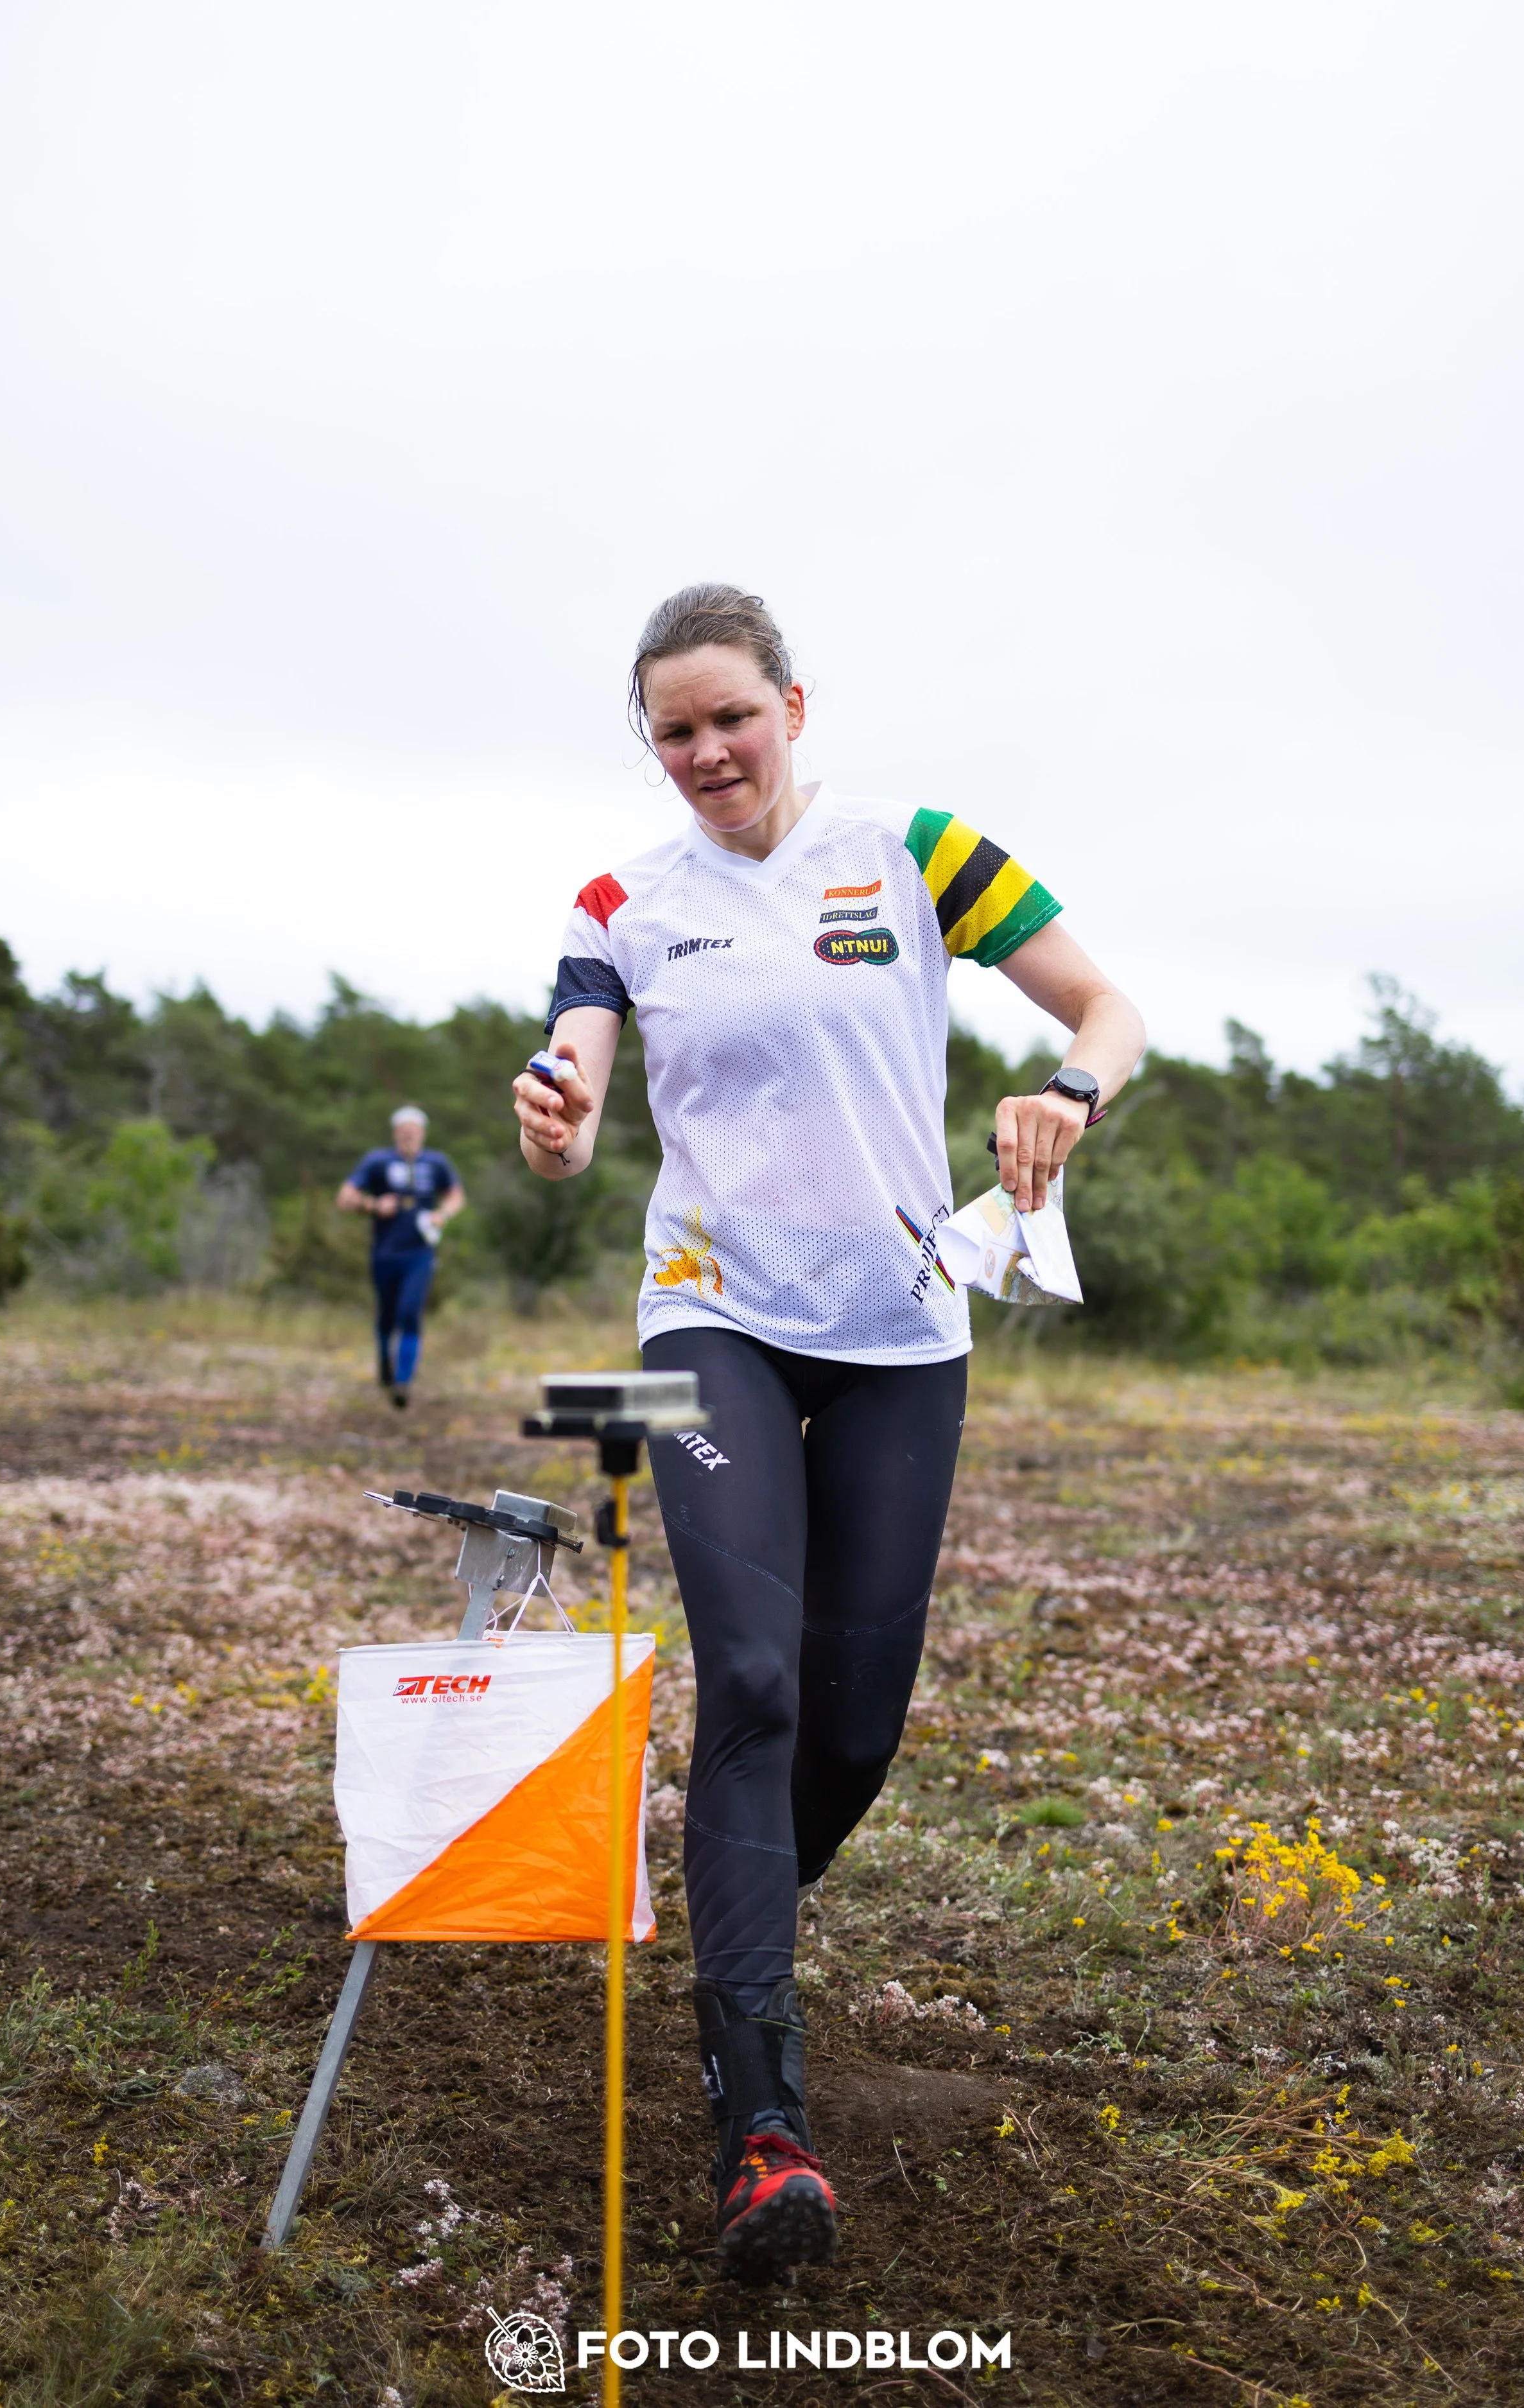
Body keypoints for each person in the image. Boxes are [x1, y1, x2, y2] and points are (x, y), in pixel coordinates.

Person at [512, 585, 1145, 2281]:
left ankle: (734, 1935)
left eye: (731, 715)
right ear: (648, 745)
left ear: (794, 703)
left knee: (851, 1728)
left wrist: (1063, 1095)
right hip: (707, 1313)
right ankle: (761, 2128)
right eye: (673, 730)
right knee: (761, 1684)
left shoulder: (919, 848)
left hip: (898, 1330)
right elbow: (567, 1098)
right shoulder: (620, 902)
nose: (706, 751)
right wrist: (561, 1120)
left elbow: (1107, 1012)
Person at [336, 1106, 465, 1408]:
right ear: (395, 1133)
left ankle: (403, 1383)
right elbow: (344, 1198)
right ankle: (385, 1362)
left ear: (423, 1133)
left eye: (414, 1131)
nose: (409, 1136)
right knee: (387, 1314)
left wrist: (442, 1214)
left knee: (410, 1313)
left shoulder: (437, 1163)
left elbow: (456, 1196)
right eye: (403, 1131)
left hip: (419, 1252)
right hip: (384, 1252)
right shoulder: (377, 1162)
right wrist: (373, 1205)